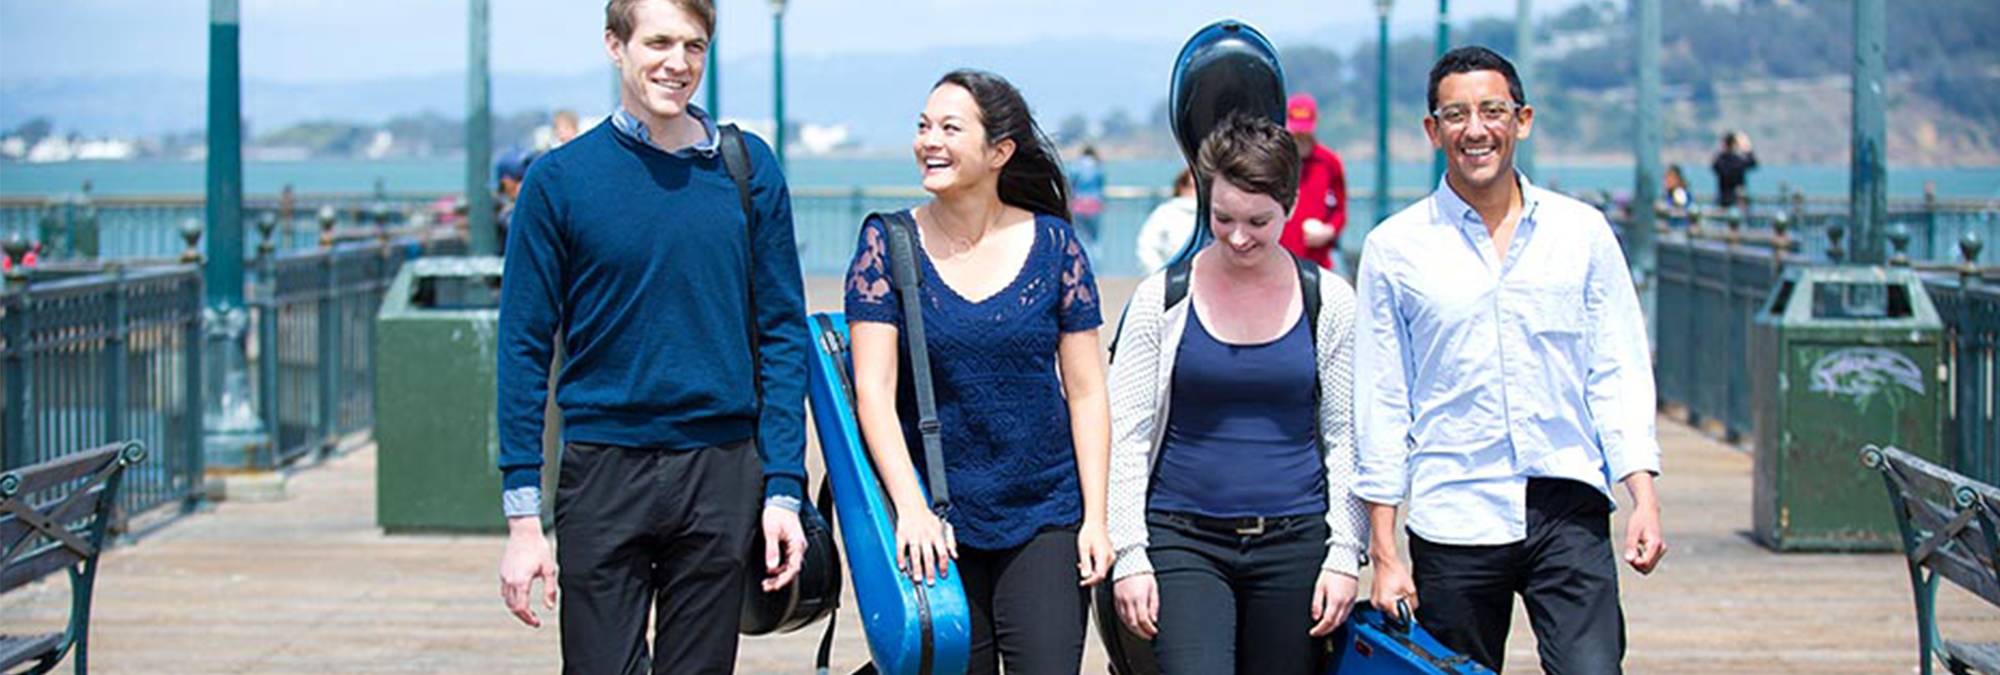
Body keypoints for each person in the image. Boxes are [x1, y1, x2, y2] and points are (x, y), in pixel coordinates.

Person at [495, 1, 812, 672]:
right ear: (615, 46)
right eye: (658, 42)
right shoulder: (559, 181)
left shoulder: (748, 169)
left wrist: (784, 486)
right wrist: (523, 519)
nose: (678, 63)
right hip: (603, 467)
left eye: (694, 46)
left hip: (722, 467)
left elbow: (783, 334)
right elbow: (523, 347)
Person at [1354, 46, 1666, 673]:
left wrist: (1643, 495)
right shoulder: (1394, 248)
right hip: (1454, 511)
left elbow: (1617, 369)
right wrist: (1384, 550)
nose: (1476, 130)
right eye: (1457, 115)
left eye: (1492, 111)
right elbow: (1382, 402)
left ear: (1522, 120)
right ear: (1433, 130)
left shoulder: (1582, 233)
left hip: (1567, 499)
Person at [844, 68, 1113, 674]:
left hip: (1045, 510)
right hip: (935, 519)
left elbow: (1086, 392)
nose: (929, 141)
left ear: (1000, 152)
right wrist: (911, 509)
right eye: (923, 126)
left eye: (950, 128)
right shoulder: (888, 244)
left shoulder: (1056, 246)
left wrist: (1096, 519)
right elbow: (873, 393)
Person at [1106, 113, 1368, 674]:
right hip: (1182, 537)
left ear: (1289, 206)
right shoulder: (1162, 299)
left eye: (1258, 221)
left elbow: (1347, 437)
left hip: (1295, 539)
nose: (1239, 236)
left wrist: (1346, 552)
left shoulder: (1330, 301)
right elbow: (1126, 432)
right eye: (1223, 218)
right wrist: (1129, 554)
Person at [1280, 93, 1348, 271]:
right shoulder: (1277, 161)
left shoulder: (1329, 162)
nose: (1301, 136)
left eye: (1304, 131)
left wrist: (1328, 231)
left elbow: (1340, 211)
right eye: (1297, 131)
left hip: (1317, 262)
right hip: (1280, 258)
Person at [1133, 169, 1197, 273]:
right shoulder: (1165, 212)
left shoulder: (1164, 212)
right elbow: (1147, 247)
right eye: (1193, 187)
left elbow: (1146, 247)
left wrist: (1159, 274)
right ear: (1181, 187)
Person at [1070, 145, 1107, 244]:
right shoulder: (1098, 167)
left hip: (1078, 205)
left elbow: (1072, 185)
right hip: (1094, 205)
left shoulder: (1076, 166)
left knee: (1080, 238)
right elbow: (1100, 186)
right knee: (1094, 240)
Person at [1711, 130, 1757, 210]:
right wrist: (1747, 148)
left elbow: (1714, 166)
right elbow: (1753, 162)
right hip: (1739, 201)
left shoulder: (1720, 161)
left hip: (1723, 200)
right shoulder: (1739, 161)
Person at [1663, 164, 1693, 228]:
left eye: (1671, 177)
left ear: (1678, 179)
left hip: (1679, 229)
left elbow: (1681, 210)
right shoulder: (1669, 194)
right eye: (1666, 177)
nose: (1667, 181)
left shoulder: (1680, 194)